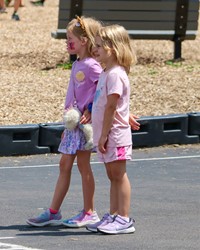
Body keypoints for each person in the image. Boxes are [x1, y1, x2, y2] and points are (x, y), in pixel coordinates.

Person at [26, 16, 103, 228]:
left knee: (83, 165)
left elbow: (103, 88)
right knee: (64, 164)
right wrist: (67, 126)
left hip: (84, 126)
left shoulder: (92, 66)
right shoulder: (78, 63)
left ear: (84, 41)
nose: (67, 42)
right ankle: (53, 211)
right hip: (73, 126)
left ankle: (90, 212)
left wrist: (89, 110)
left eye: (70, 38)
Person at [86, 24, 137, 234]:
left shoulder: (116, 74)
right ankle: (114, 214)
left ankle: (124, 218)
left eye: (99, 46)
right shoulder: (107, 72)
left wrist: (105, 134)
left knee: (119, 175)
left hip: (114, 134)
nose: (94, 49)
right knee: (112, 175)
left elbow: (111, 105)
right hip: (107, 134)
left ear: (113, 48)